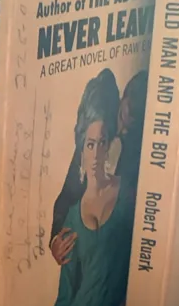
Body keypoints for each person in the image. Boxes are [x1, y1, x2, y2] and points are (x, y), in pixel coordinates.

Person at [50, 71, 136, 306]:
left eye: (102, 143)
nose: (97, 154)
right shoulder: (73, 213)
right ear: (81, 150)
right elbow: (66, 286)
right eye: (89, 145)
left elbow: (125, 263)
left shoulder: (127, 196)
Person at [50, 68, 148, 267]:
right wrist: (55, 241)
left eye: (130, 127)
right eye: (123, 116)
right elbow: (67, 194)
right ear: (123, 98)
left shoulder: (138, 150)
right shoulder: (94, 131)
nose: (122, 129)